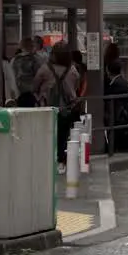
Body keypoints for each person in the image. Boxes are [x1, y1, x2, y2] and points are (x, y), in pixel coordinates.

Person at [33, 43, 82, 173]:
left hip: (46, 109)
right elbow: (76, 86)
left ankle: (47, 161)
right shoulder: (72, 70)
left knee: (47, 135)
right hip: (66, 109)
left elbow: (35, 86)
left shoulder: (45, 69)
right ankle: (61, 161)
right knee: (63, 136)